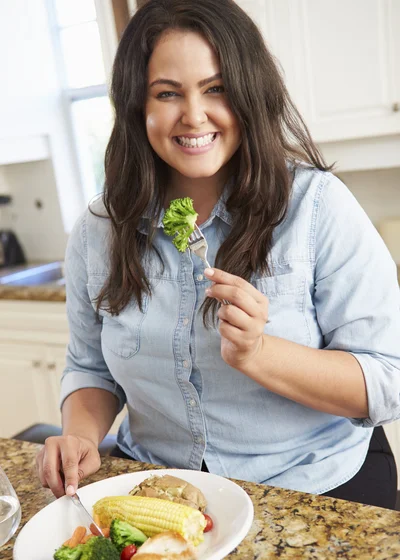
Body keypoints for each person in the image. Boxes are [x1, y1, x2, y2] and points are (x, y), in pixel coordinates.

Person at [36, 0, 400, 509]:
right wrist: (80, 432)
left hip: (313, 485)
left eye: (216, 89)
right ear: (138, 105)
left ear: (249, 94)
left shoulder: (317, 207)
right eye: (167, 93)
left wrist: (259, 353)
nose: (193, 115)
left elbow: (387, 379)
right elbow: (91, 367)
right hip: (162, 490)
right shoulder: (100, 230)